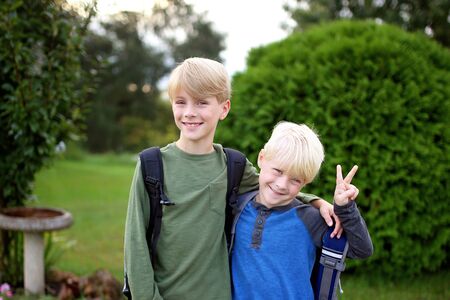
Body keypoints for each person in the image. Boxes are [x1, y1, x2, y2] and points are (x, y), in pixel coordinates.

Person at [124, 58, 340, 300]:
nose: (189, 112)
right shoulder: (151, 166)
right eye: (181, 102)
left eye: (202, 103)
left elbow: (274, 187)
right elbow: (135, 247)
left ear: (224, 109)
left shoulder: (233, 166)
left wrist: (315, 201)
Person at [230, 121, 374, 300]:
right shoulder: (237, 207)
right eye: (277, 171)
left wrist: (346, 209)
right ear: (261, 158)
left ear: (306, 182)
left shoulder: (310, 218)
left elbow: (361, 250)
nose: (281, 185)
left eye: (295, 180)